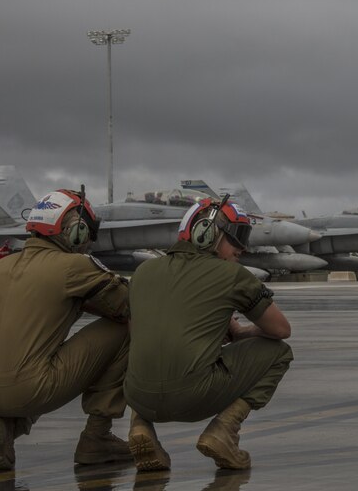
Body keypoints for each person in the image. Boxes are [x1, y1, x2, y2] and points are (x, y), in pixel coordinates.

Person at [0, 189, 132, 471]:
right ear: (75, 231)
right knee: (123, 331)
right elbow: (129, 307)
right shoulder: (74, 267)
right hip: (32, 388)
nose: (90, 241)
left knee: (31, 360)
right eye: (88, 232)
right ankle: (98, 436)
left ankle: (3, 425)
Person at [124, 197, 293, 471]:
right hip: (194, 397)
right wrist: (240, 333)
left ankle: (140, 426)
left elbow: (136, 335)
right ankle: (224, 430)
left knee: (147, 349)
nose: (243, 247)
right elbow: (281, 330)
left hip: (139, 396)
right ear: (207, 232)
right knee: (279, 353)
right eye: (237, 236)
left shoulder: (142, 272)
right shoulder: (232, 274)